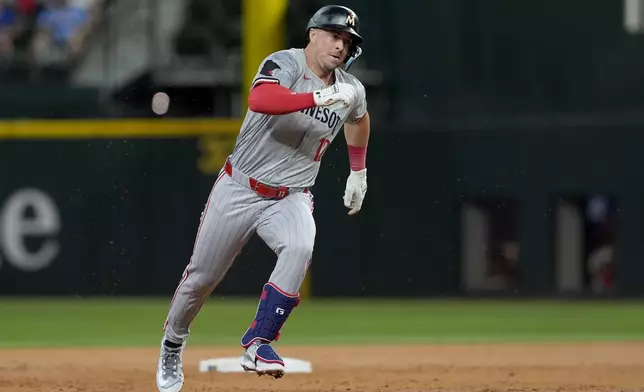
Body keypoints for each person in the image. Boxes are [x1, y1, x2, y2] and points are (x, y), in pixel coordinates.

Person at [156, 5, 370, 392]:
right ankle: (172, 343)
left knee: (301, 246)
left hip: (291, 195)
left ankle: (260, 342)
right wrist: (317, 99)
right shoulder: (284, 63)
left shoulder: (350, 89)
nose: (341, 46)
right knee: (201, 279)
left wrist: (358, 170)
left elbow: (359, 119)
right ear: (313, 34)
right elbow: (262, 101)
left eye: (348, 41)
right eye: (335, 35)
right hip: (239, 188)